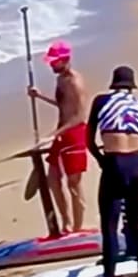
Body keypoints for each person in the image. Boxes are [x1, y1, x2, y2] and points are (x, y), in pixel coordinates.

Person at [86, 66, 138, 277]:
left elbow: (89, 140)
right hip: (136, 163)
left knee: (109, 224)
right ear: (132, 86)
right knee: (134, 221)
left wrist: (101, 160)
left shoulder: (101, 101)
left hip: (114, 163)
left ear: (113, 84)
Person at [28, 40, 88, 235]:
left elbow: (80, 116)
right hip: (62, 133)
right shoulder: (60, 79)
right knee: (53, 178)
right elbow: (64, 106)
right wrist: (40, 96)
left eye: (55, 61)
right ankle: (66, 223)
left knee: (74, 183)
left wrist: (53, 135)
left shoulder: (75, 82)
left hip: (75, 134)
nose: (51, 65)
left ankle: (78, 228)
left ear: (65, 59)